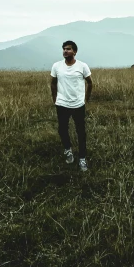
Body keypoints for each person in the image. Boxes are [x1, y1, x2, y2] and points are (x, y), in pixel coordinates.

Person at [50, 41, 93, 172]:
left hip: (78, 104)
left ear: (75, 52)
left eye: (68, 49)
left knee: (81, 132)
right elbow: (52, 83)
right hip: (62, 104)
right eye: (63, 49)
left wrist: (86, 99)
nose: (65, 51)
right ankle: (68, 150)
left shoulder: (82, 66)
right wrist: (55, 99)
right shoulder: (57, 66)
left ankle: (82, 158)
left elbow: (90, 83)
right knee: (62, 129)